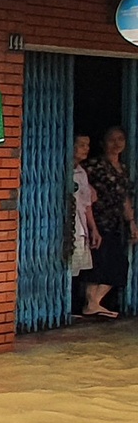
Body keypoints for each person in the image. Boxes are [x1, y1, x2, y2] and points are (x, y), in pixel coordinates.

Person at [82, 126, 135, 319]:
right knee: (97, 262)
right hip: (97, 220)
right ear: (103, 143)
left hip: (116, 222)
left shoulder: (123, 169)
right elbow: (79, 181)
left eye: (120, 139)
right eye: (112, 140)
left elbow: (125, 198)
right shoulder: (94, 165)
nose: (117, 143)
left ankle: (95, 302)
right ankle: (91, 303)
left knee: (117, 263)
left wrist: (131, 222)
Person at [69, 134, 101, 297]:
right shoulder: (61, 169)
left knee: (76, 268)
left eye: (87, 145)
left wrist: (93, 229)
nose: (86, 149)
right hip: (63, 226)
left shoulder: (81, 173)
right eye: (82, 145)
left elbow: (86, 205)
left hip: (79, 226)